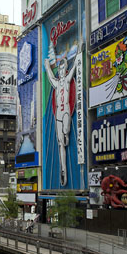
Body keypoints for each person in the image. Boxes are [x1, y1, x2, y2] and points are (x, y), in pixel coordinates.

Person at [44, 50, 82, 187]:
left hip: (66, 111)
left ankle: (66, 134)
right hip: (58, 115)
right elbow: (49, 75)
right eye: (59, 69)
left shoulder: (66, 80)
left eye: (62, 69)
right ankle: (63, 169)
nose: (60, 71)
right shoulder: (56, 83)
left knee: (66, 130)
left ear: (64, 70)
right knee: (61, 144)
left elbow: (73, 70)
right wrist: (48, 66)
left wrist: (78, 55)